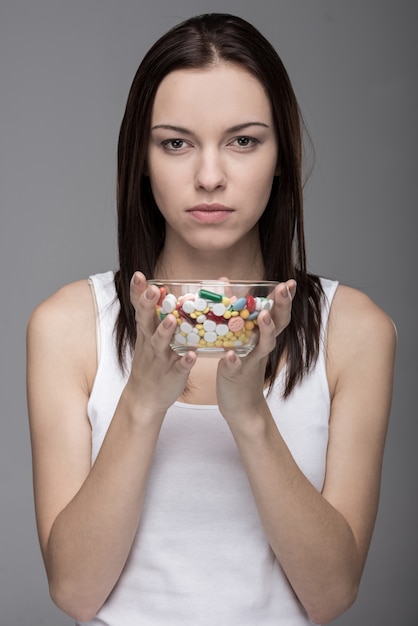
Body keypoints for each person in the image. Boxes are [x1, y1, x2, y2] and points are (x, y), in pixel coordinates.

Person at [26, 13, 396, 626]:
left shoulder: (355, 330)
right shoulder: (67, 326)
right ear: (141, 158)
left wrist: (249, 414)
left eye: (243, 140)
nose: (209, 176)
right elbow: (74, 591)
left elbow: (331, 595)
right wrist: (142, 401)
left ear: (282, 155)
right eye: (176, 142)